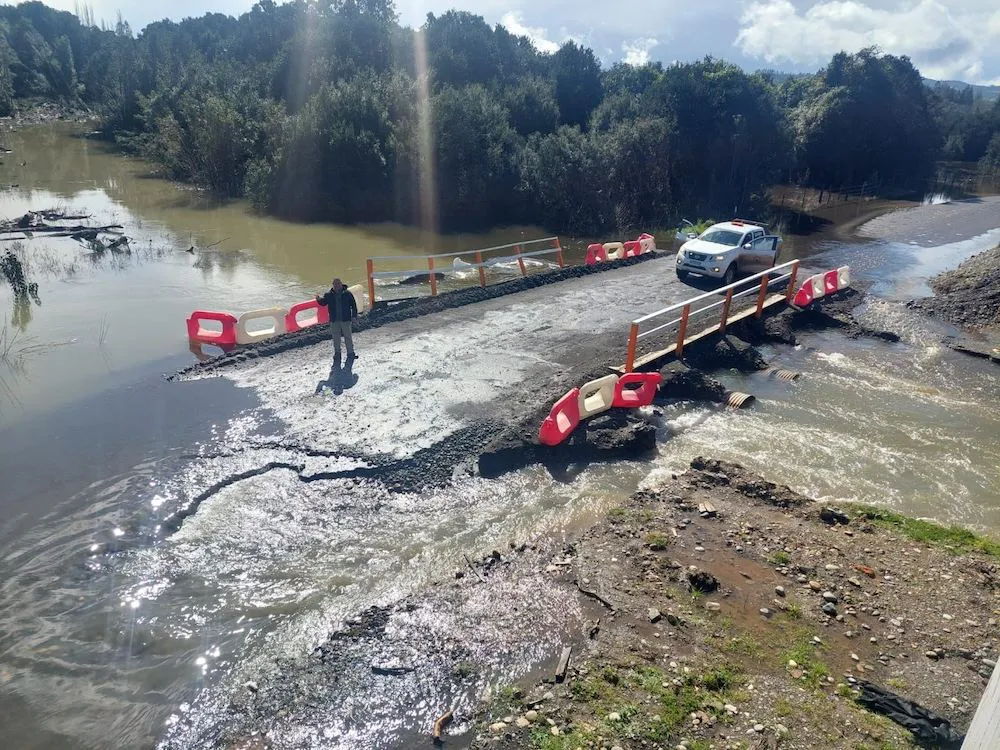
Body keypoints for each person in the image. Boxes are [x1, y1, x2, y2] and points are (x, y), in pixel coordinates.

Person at [316, 278, 358, 360]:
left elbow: (353, 306)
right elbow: (323, 303)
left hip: (346, 319)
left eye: (338, 283)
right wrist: (318, 299)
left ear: (341, 284)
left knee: (348, 337)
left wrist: (354, 316)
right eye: (335, 284)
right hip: (334, 320)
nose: (337, 285)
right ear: (333, 285)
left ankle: (351, 353)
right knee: (336, 338)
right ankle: (337, 354)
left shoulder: (347, 294)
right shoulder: (328, 295)